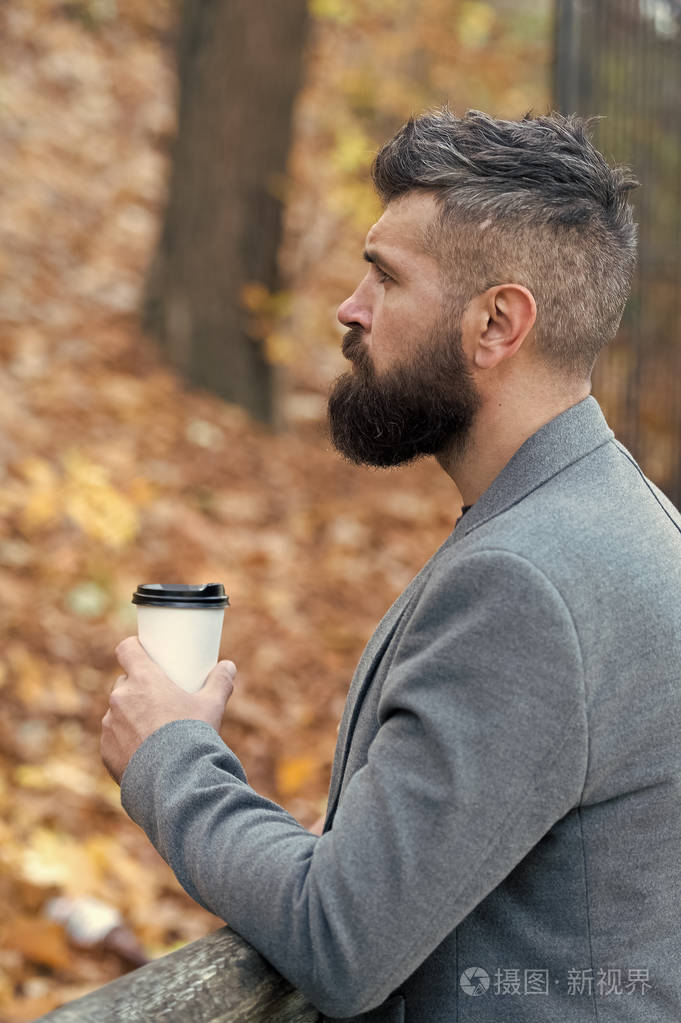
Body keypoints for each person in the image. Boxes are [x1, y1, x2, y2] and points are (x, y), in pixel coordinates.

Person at [101, 108, 681, 1022]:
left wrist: (169, 756)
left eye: (384, 275)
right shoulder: (621, 516)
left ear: (496, 323)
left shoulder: (526, 580)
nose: (350, 307)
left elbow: (340, 937)